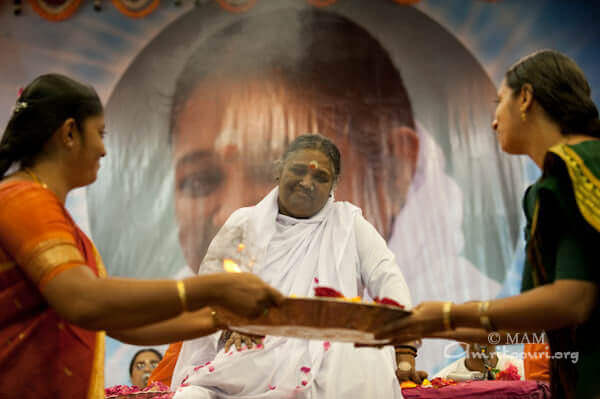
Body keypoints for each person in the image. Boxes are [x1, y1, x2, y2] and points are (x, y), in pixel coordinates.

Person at [0, 74, 284, 398]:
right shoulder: (24, 199)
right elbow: (84, 302)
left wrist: (220, 318)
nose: (104, 150)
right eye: (99, 134)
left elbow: (125, 324)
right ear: (69, 134)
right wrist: (213, 288)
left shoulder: (51, 215)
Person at [375, 50, 600, 398]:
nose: (494, 122)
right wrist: (442, 326)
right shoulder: (543, 189)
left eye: (500, 102)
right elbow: (534, 322)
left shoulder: (578, 169)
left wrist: (448, 315)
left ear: (525, 98)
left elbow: (573, 301)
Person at [169, 134, 419, 399]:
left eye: (321, 177)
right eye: (298, 171)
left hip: (330, 353)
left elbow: (387, 277)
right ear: (279, 170)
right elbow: (212, 290)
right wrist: (229, 325)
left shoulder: (349, 225)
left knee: (364, 355)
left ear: (334, 185)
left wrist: (404, 352)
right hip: (254, 352)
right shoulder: (244, 223)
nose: (306, 182)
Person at [433, 343, 524, 381]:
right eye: (470, 329)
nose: (478, 335)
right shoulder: (440, 381)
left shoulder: (525, 372)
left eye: (483, 328)